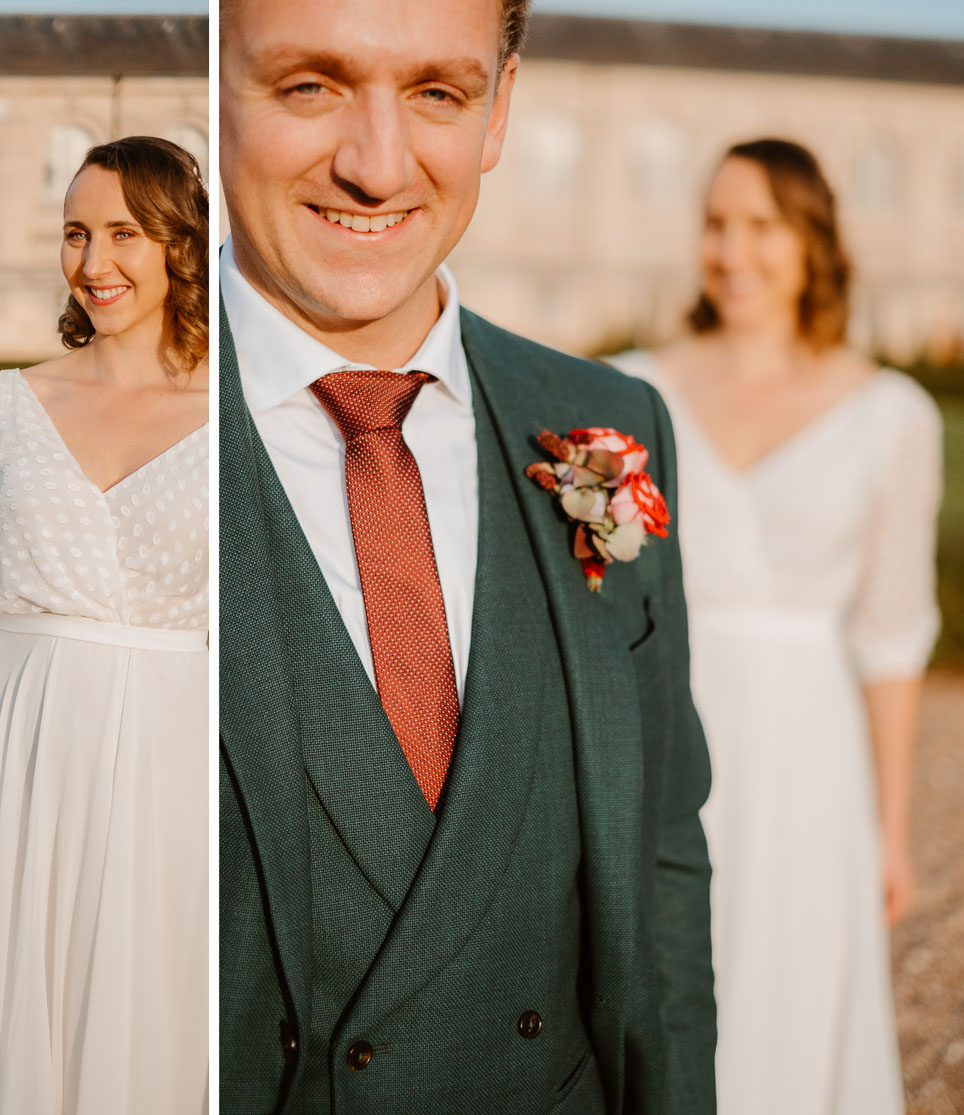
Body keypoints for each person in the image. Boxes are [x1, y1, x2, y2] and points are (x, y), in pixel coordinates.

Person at [218, 0, 717, 1111]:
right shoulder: (116, 430)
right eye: (310, 86)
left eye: (437, 93)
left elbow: (664, 858)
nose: (376, 166)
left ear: (498, 113)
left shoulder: (607, 420)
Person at [611, 138, 941, 1115]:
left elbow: (890, 635)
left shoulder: (892, 414)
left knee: (789, 998)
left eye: (760, 224)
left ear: (811, 240)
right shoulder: (630, 392)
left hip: (810, 756)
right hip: (663, 729)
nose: (731, 249)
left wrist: (888, 829)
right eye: (716, 223)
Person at [0, 135, 210, 1114]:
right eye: (76, 233)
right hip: (16, 755)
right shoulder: (0, 406)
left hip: (175, 777)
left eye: (125, 233)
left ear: (181, 241)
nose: (94, 263)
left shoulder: (241, 421)